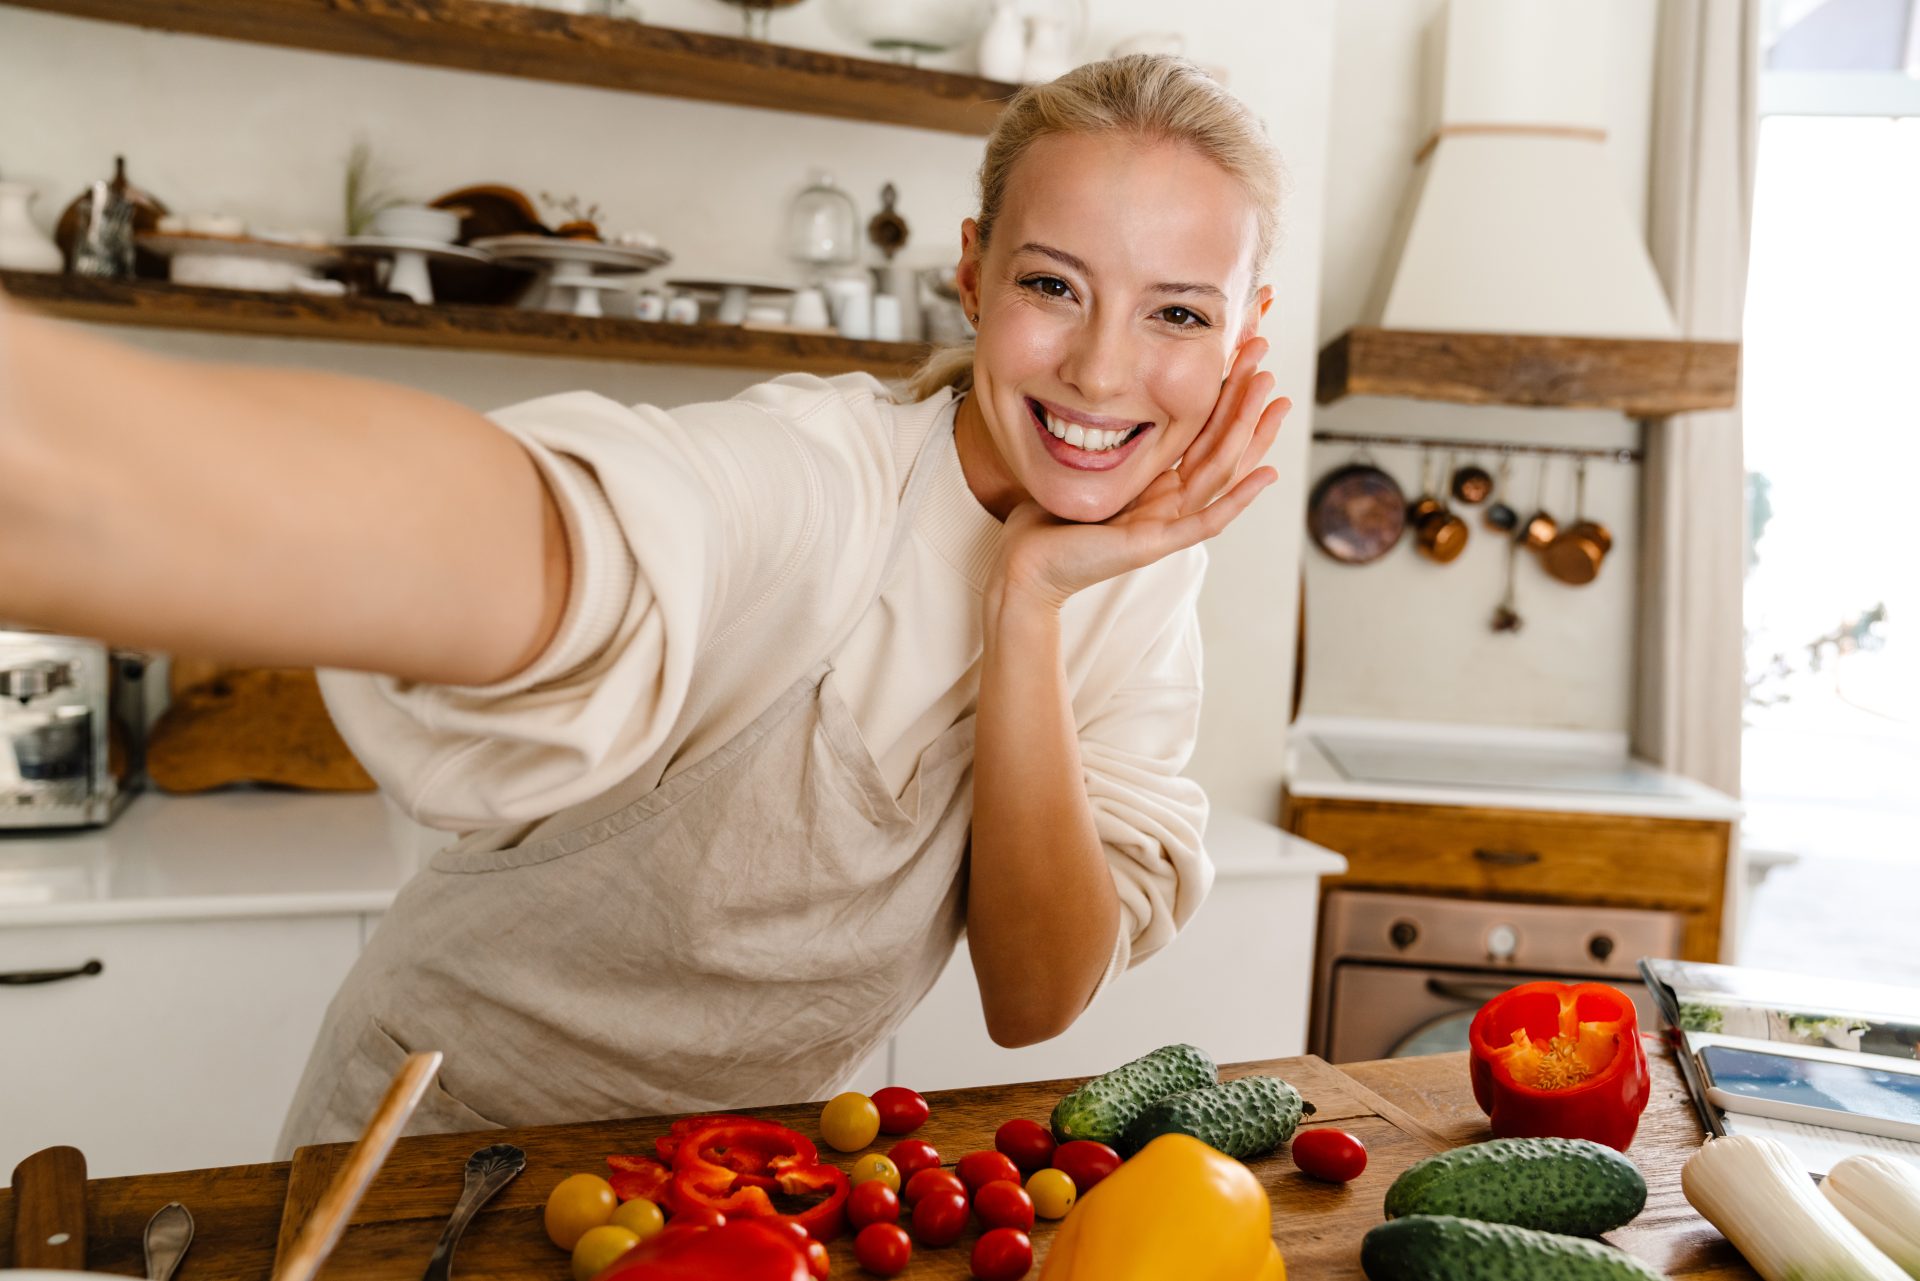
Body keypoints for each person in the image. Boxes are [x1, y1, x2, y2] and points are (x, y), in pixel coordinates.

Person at [0, 53, 1291, 1153]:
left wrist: (1029, 606)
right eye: (1052, 284)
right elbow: (562, 541)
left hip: (756, 1175)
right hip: (446, 1139)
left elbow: (1037, 992)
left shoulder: (1140, 578)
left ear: (1246, 332)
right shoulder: (820, 476)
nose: (1105, 367)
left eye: (1178, 310)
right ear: (971, 272)